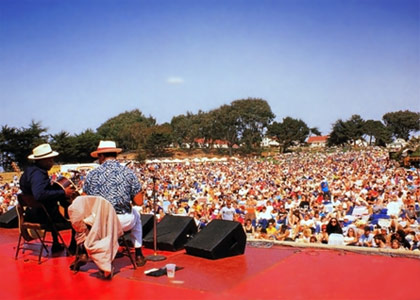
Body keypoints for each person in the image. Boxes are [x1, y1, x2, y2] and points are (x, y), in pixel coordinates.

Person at [71, 141, 146, 275]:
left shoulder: (92, 174)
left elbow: (84, 200)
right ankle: (139, 254)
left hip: (98, 223)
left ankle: (82, 250)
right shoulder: (128, 173)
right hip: (122, 222)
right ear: (115, 155)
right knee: (136, 213)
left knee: (84, 218)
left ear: (101, 156)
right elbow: (139, 202)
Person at [19, 143, 76, 253]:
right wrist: (63, 192)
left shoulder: (29, 171)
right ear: (41, 160)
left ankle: (56, 243)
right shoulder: (38, 174)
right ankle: (73, 247)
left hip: (31, 214)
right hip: (42, 216)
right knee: (76, 218)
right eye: (49, 160)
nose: (52, 162)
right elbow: (39, 194)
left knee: (52, 205)